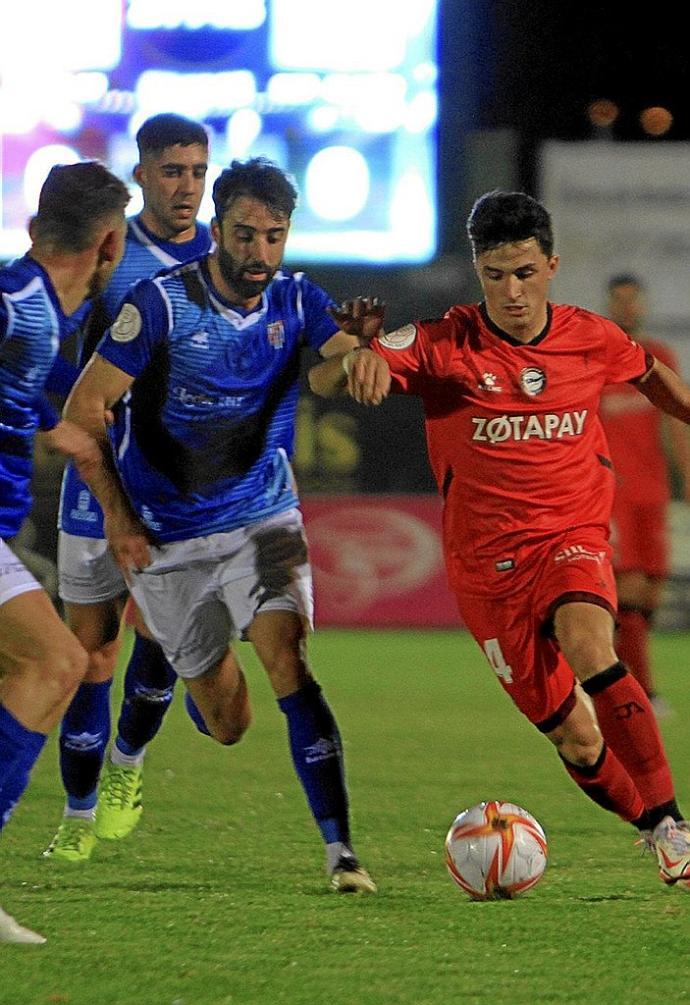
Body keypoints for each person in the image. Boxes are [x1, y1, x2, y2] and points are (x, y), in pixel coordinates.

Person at [309, 190, 690, 888]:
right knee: (574, 736)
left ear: (551, 264)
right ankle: (650, 826)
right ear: (478, 272)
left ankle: (674, 824)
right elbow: (332, 376)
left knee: (590, 642)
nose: (512, 291)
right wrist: (354, 355)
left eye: (524, 272)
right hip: (487, 571)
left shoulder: (589, 335)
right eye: (495, 275)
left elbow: (649, 373)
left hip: (571, 536)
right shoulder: (441, 344)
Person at [62, 156, 376, 893]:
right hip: (168, 538)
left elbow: (329, 365)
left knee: (291, 661)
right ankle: (164, 695)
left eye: (274, 236)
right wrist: (117, 514)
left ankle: (343, 855)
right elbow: (85, 411)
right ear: (216, 229)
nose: (260, 251)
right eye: (245, 234)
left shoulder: (298, 300)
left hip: (263, 519)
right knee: (229, 721)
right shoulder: (161, 305)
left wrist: (358, 355)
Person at [45, 114, 214, 862]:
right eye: (172, 170)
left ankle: (126, 766)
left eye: (197, 171)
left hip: (179, 487)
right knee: (91, 654)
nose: (186, 186)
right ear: (142, 175)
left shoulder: (226, 254)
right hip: (99, 481)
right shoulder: (113, 257)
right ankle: (78, 816)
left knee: (160, 640)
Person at [0, 161, 130, 942]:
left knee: (53, 667)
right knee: (52, 663)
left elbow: (63, 423)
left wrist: (121, 504)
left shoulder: (43, 314)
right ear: (110, 241)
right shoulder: (16, 303)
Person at [599, 274, 690, 716]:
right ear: (610, 305)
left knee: (648, 596)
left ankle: (613, 688)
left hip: (653, 496)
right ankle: (645, 694)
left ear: (643, 305)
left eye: (633, 300)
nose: (627, 308)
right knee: (629, 593)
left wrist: (687, 482)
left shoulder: (660, 357)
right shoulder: (596, 361)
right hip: (612, 495)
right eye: (619, 301)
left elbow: (677, 427)